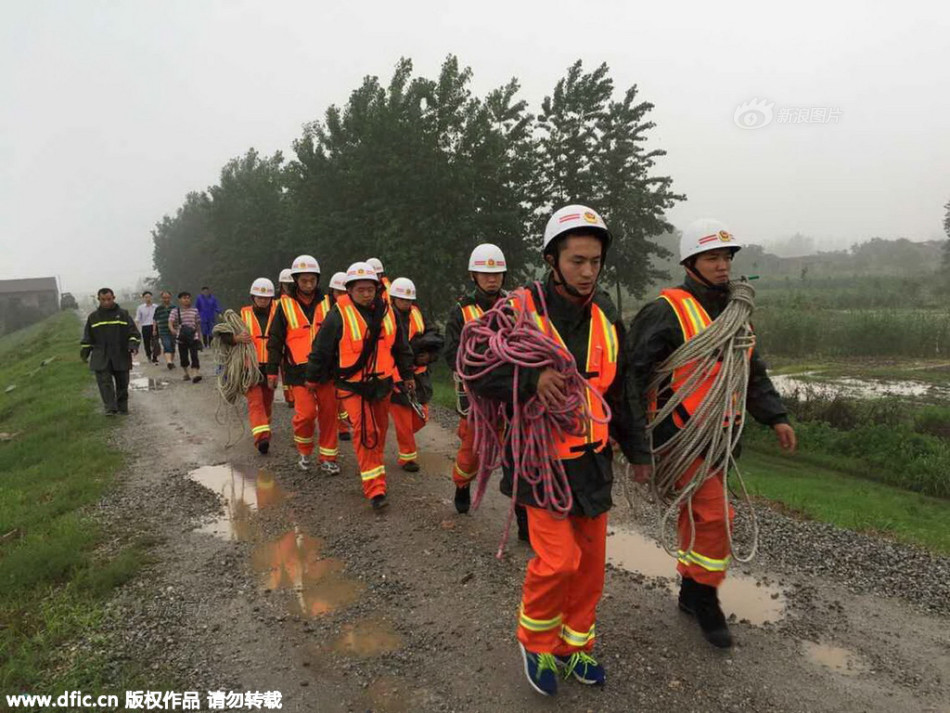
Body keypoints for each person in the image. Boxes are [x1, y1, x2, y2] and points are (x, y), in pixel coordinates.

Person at [465, 206, 639, 696]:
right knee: (559, 560)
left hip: (593, 460)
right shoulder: (519, 309)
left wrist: (639, 451)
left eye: (595, 262)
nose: (588, 272)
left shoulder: (606, 317)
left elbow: (622, 390)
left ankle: (574, 645)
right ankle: (537, 642)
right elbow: (475, 367)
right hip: (540, 461)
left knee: (591, 564)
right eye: (577, 260)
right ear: (551, 260)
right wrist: (529, 378)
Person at [625, 218, 797, 649]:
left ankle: (690, 588)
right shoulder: (665, 311)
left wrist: (776, 416)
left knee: (696, 515)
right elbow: (632, 376)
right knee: (717, 518)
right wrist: (636, 443)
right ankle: (706, 599)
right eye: (712, 258)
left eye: (726, 258)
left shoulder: (735, 314)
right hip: (681, 437)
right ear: (690, 263)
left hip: (721, 436)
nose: (722, 266)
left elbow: (750, 371)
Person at [306, 262, 414, 510]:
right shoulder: (338, 314)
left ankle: (374, 469)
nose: (366, 294)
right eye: (361, 289)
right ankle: (375, 488)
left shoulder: (389, 312)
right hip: (352, 386)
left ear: (377, 288)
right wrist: (312, 378)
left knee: (380, 431)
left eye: (370, 289)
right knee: (367, 433)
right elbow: (320, 350)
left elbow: (401, 347)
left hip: (382, 384)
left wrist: (407, 374)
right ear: (350, 290)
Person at [443, 243, 508, 515]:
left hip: (509, 391)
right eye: (485, 274)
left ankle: (522, 509)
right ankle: (462, 485)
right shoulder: (461, 311)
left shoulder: (514, 306)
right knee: (471, 451)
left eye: (496, 274)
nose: (492, 279)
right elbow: (451, 353)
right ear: (474, 276)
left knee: (516, 451)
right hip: (476, 394)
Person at [266, 255, 339, 473]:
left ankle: (328, 457)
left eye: (312, 280)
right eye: (304, 280)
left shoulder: (329, 303)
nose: (308, 285)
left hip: (327, 370)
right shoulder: (284, 306)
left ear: (318, 280)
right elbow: (275, 340)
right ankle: (305, 450)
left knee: (329, 414)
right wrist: (272, 371)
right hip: (298, 372)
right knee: (306, 415)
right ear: (296, 280)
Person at [222, 278, 277, 454]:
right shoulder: (241, 315)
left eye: (266, 297)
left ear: (271, 298)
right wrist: (235, 338)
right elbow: (222, 334)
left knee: (267, 401)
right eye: (259, 297)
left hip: (270, 366)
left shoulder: (278, 314)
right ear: (253, 297)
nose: (263, 300)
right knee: (256, 401)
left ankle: (264, 426)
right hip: (249, 368)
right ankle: (261, 439)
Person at [388, 277, 436, 472]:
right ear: (393, 299)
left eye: (409, 300)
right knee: (403, 420)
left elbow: (434, 334)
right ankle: (407, 458)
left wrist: (429, 355)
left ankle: (405, 436)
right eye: (402, 299)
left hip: (419, 374)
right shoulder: (386, 317)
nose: (406, 303)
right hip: (395, 374)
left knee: (421, 417)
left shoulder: (417, 313)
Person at [81, 288, 141, 415]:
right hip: (101, 355)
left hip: (121, 354)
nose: (106, 302)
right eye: (103, 300)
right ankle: (110, 408)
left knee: (122, 383)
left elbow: (134, 333)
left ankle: (122, 407)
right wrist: (84, 354)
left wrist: (133, 345)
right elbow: (87, 338)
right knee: (104, 383)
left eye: (109, 299)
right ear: (99, 299)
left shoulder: (123, 314)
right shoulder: (93, 317)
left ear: (113, 298)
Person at [328, 271, 352, 442]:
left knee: (343, 396)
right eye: (338, 292)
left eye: (345, 292)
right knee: (332, 397)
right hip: (328, 360)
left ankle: (343, 426)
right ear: (332, 292)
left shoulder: (354, 310)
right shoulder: (323, 308)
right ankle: (339, 426)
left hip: (346, 361)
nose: (342, 296)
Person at [168, 291, 203, 383]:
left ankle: (195, 373)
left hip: (193, 336)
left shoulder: (195, 310)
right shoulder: (175, 311)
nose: (186, 300)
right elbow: (170, 322)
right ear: (179, 300)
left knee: (194, 355)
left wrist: (200, 337)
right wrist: (172, 329)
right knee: (183, 356)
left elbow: (198, 324)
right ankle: (186, 373)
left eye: (188, 298)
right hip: (181, 338)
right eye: (184, 298)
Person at [278, 268, 296, 408]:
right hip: (281, 337)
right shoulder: (276, 301)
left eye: (290, 284)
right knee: (284, 369)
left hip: (294, 339)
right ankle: (289, 396)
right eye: (286, 284)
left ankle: (294, 395)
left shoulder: (298, 299)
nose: (288, 287)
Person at [153, 290, 177, 370]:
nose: (166, 299)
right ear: (161, 298)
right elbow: (155, 319)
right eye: (164, 298)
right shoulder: (158, 308)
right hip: (163, 331)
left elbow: (178, 319)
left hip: (173, 330)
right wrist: (154, 329)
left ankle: (171, 361)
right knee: (166, 345)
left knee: (172, 346)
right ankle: (169, 362)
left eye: (167, 298)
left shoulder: (174, 307)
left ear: (170, 298)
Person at [134, 291, 159, 364]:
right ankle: (148, 355)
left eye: (149, 297)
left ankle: (155, 357)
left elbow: (158, 317)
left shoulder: (156, 307)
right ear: (143, 298)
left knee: (155, 342)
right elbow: (137, 318)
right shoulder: (140, 308)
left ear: (152, 297)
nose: (148, 298)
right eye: (146, 297)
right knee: (147, 343)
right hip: (145, 326)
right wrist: (136, 328)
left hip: (154, 326)